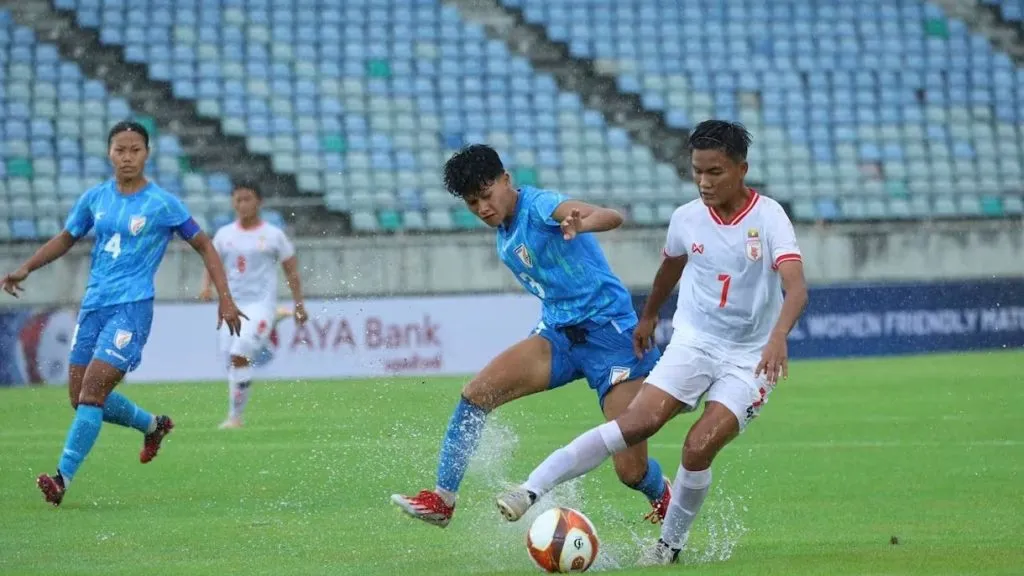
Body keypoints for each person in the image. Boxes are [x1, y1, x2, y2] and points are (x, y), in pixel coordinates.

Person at [493, 120, 809, 566]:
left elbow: (797, 288)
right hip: (694, 343)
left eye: (715, 172)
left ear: (741, 169)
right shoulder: (685, 218)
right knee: (635, 424)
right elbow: (670, 268)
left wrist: (778, 337)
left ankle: (668, 546)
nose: (704, 181)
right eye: (698, 171)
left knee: (698, 447)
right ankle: (529, 490)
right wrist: (649, 315)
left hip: (749, 358)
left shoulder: (769, 217)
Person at [391, 144, 671, 528]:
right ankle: (442, 500)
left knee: (630, 472)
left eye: (486, 196)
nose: (482, 209)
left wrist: (582, 223)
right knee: (476, 394)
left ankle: (663, 494)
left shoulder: (540, 208)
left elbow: (611, 216)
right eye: (472, 203)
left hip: (612, 340)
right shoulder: (504, 233)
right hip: (559, 337)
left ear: (506, 180)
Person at [0, 121, 246, 506]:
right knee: (79, 398)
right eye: (120, 149)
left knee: (92, 394)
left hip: (131, 310)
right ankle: (154, 425)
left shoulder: (162, 203)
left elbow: (204, 245)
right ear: (109, 153)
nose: (127, 156)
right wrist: (26, 267)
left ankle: (62, 478)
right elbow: (67, 237)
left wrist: (224, 298)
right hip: (93, 306)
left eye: (135, 149)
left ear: (146, 154)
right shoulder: (95, 198)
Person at [200, 181, 307, 429]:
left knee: (240, 354)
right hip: (232, 306)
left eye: (247, 199)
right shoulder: (225, 234)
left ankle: (235, 418)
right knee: (232, 360)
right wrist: (206, 286)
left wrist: (299, 304)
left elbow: (291, 271)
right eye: (237, 200)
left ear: (258, 202)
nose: (242, 204)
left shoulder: (273, 235)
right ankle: (235, 415)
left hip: (261, 304)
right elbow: (212, 263)